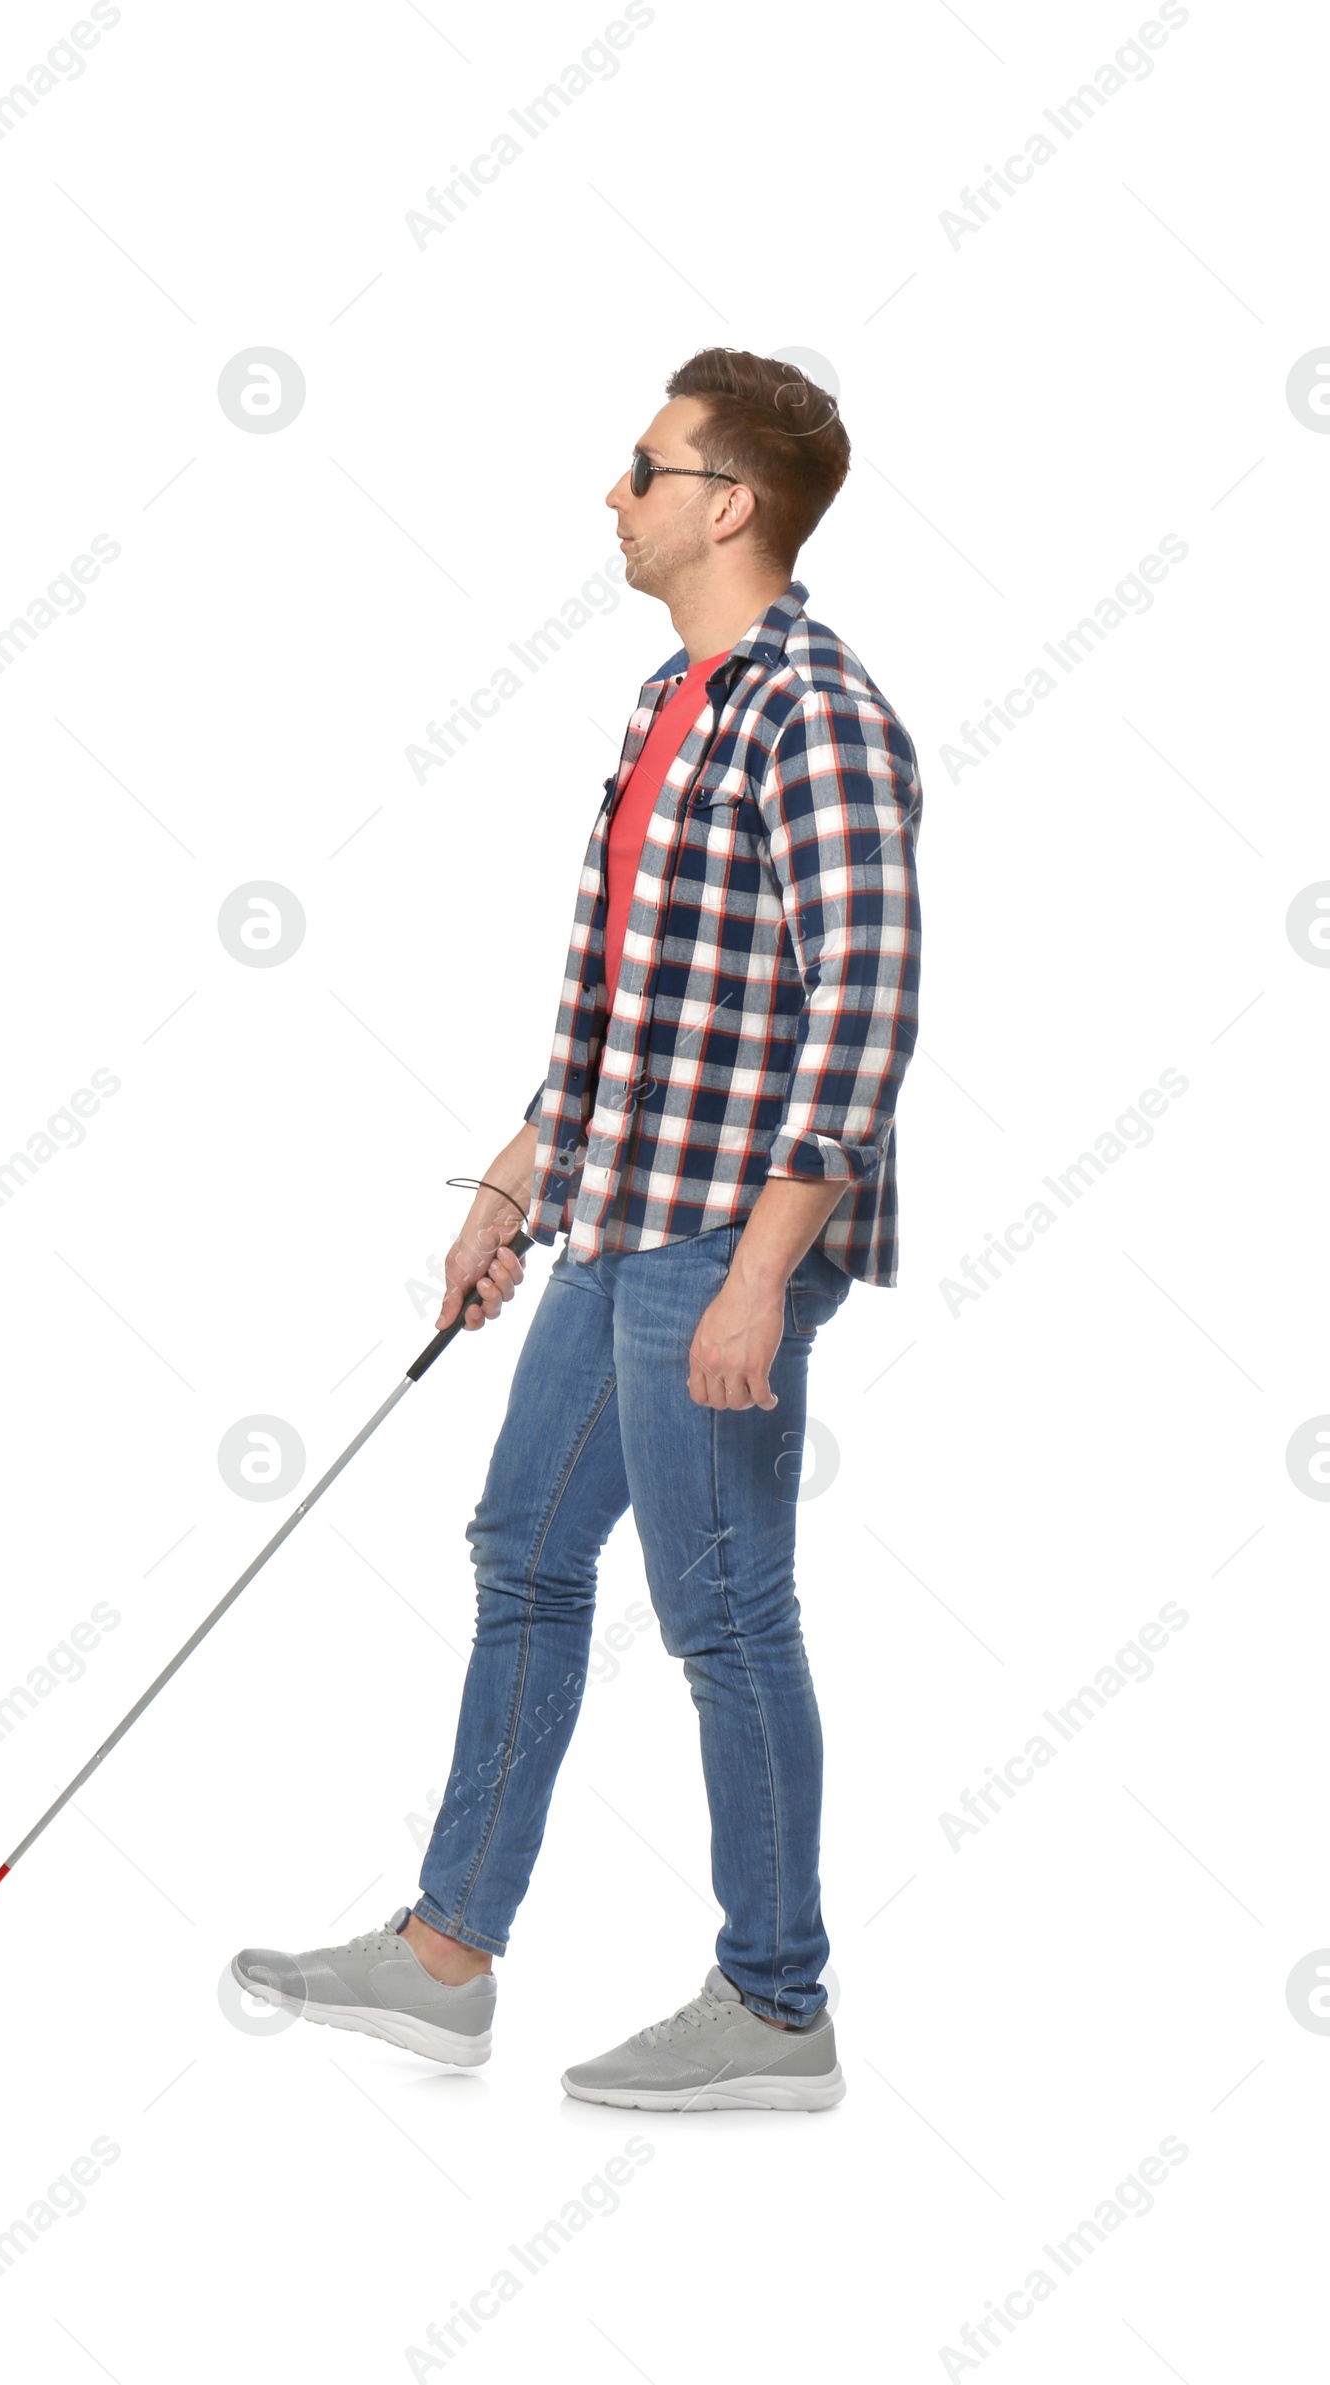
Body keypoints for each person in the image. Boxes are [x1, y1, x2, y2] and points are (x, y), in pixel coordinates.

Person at [234, 346, 924, 2111]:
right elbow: (630, 1005)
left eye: (644, 465)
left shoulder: (817, 713)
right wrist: (514, 1178)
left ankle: (778, 2005)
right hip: (619, 1215)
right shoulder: (663, 702)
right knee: (525, 1552)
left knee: (722, 1609)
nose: (613, 494)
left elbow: (860, 1015)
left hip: (723, 1237)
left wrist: (766, 1275)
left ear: (728, 504)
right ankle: (448, 1954)